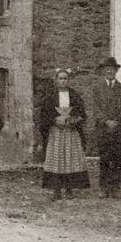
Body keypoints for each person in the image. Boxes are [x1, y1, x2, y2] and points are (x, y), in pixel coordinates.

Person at [38, 69, 90, 201]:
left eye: (65, 78)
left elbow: (82, 114)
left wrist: (73, 120)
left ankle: (69, 189)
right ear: (56, 80)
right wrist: (54, 120)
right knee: (57, 161)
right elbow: (44, 115)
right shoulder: (50, 96)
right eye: (60, 78)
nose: (63, 81)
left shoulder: (75, 95)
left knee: (70, 160)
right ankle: (56, 190)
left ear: (68, 80)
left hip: (71, 133)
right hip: (56, 133)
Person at [89, 57, 121, 199]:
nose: (109, 71)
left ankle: (115, 188)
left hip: (118, 130)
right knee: (104, 159)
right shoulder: (96, 88)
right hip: (103, 129)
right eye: (107, 69)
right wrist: (106, 121)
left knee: (117, 160)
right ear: (103, 71)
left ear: (116, 71)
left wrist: (116, 122)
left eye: (112, 69)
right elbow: (95, 108)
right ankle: (103, 187)